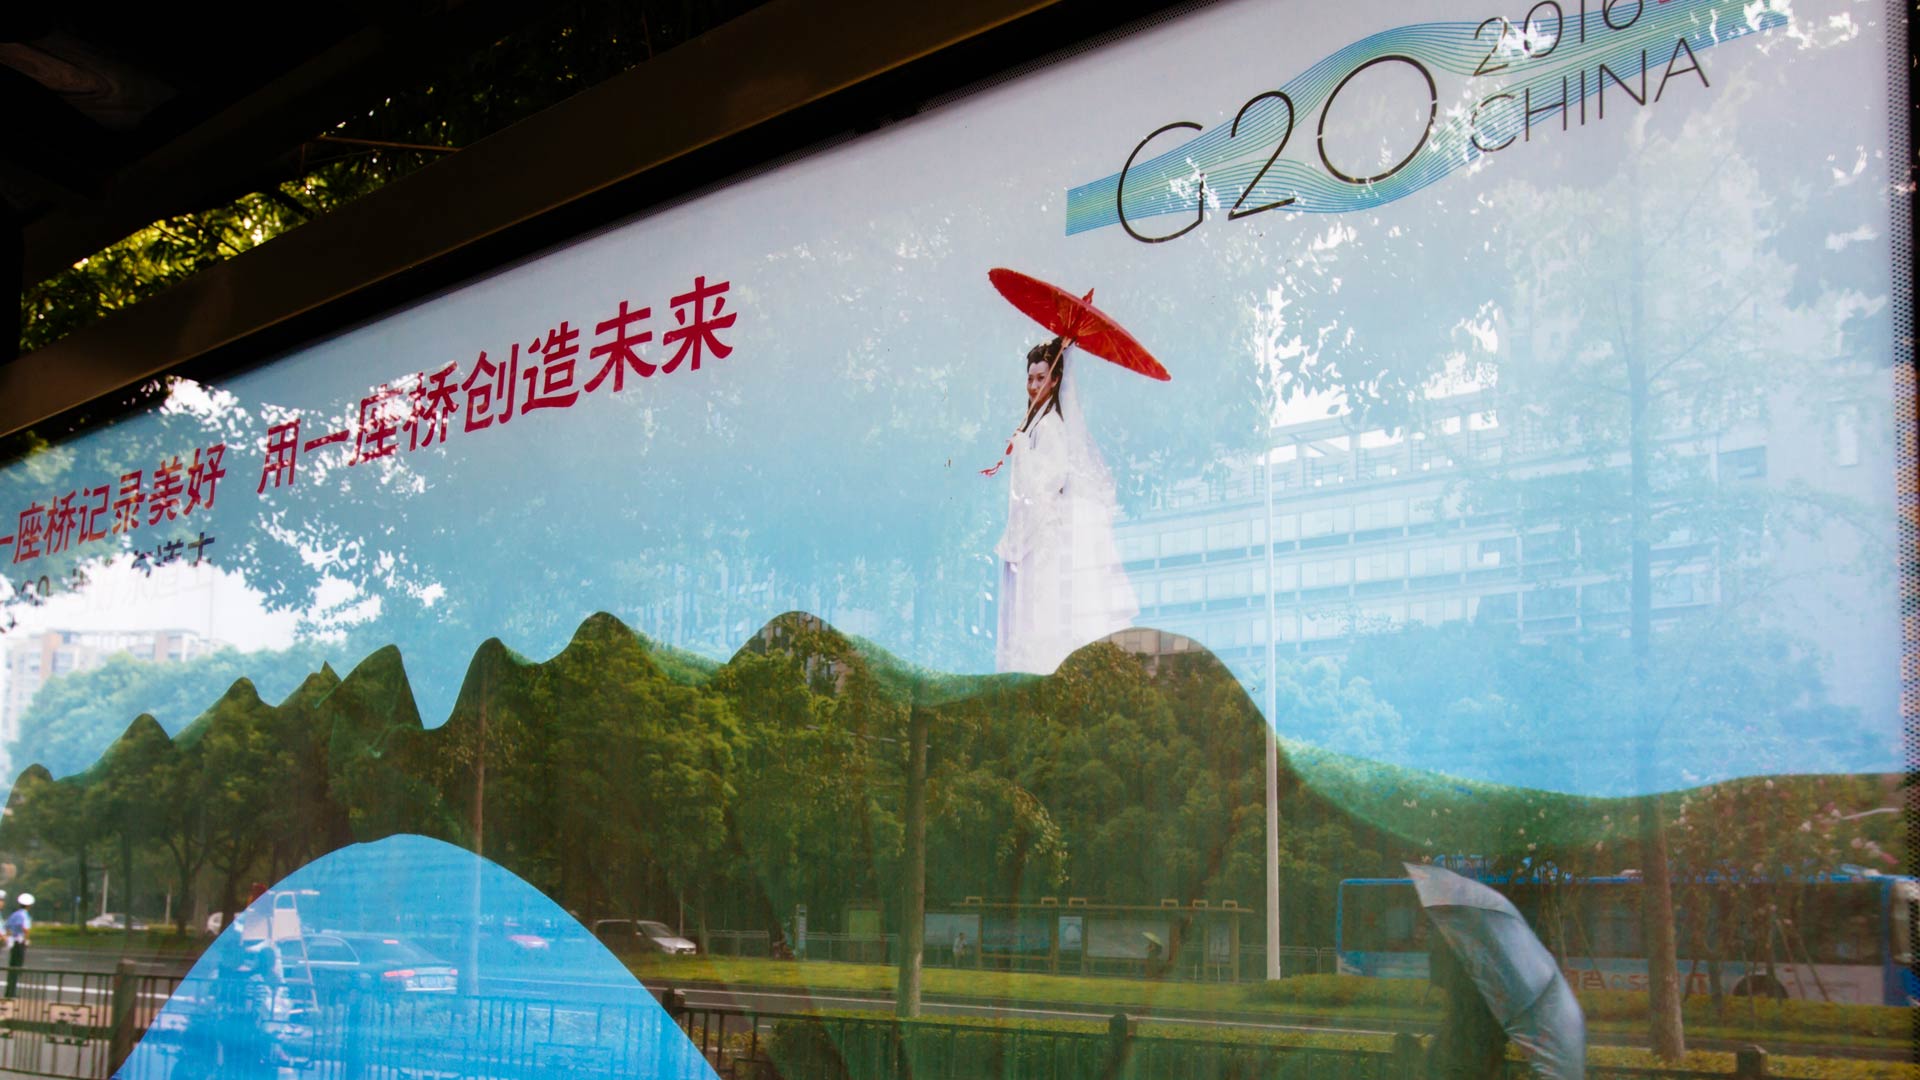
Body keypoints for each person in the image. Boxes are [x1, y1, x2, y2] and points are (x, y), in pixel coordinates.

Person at [992, 337, 1139, 674]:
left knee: (1040, 613)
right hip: (1032, 533)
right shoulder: (1035, 424)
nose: (1033, 386)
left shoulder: (1051, 426)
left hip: (1042, 537)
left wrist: (1023, 451)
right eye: (1030, 378)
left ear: (1055, 379)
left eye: (1041, 378)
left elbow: (1051, 480)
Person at [4, 893, 32, 998]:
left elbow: (7, 927)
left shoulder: (14, 914)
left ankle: (9, 992)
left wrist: (10, 936)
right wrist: (27, 939)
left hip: (14, 941)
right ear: (29, 905)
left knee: (12, 968)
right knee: (17, 968)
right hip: (20, 942)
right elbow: (25, 928)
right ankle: (12, 993)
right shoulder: (24, 915)